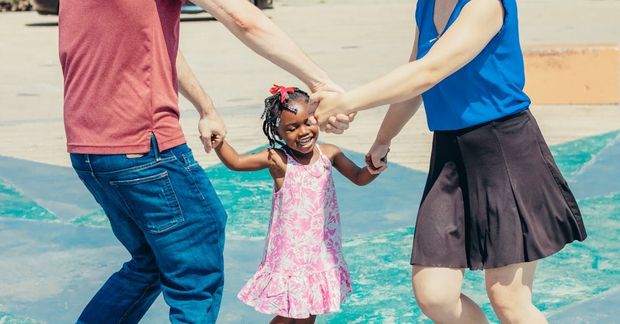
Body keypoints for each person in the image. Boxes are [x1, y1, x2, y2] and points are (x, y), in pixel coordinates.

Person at [59, 0, 353, 322]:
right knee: (196, 268)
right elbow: (242, 18)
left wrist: (206, 106)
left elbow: (157, 41)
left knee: (150, 263)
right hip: (144, 146)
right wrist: (322, 83)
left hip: (89, 149)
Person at [310, 0, 587, 323]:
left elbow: (429, 72)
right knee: (434, 294)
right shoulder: (426, 5)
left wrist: (347, 101)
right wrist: (384, 138)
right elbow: (413, 77)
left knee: (508, 298)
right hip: (450, 155)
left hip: (505, 150)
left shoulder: (486, 4)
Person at [214, 85, 381, 324]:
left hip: (321, 250)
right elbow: (238, 162)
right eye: (291, 128)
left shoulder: (330, 154)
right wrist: (219, 141)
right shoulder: (279, 160)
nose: (303, 132)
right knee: (289, 313)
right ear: (278, 132)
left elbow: (360, 177)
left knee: (310, 309)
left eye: (308, 122)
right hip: (290, 254)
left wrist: (376, 165)